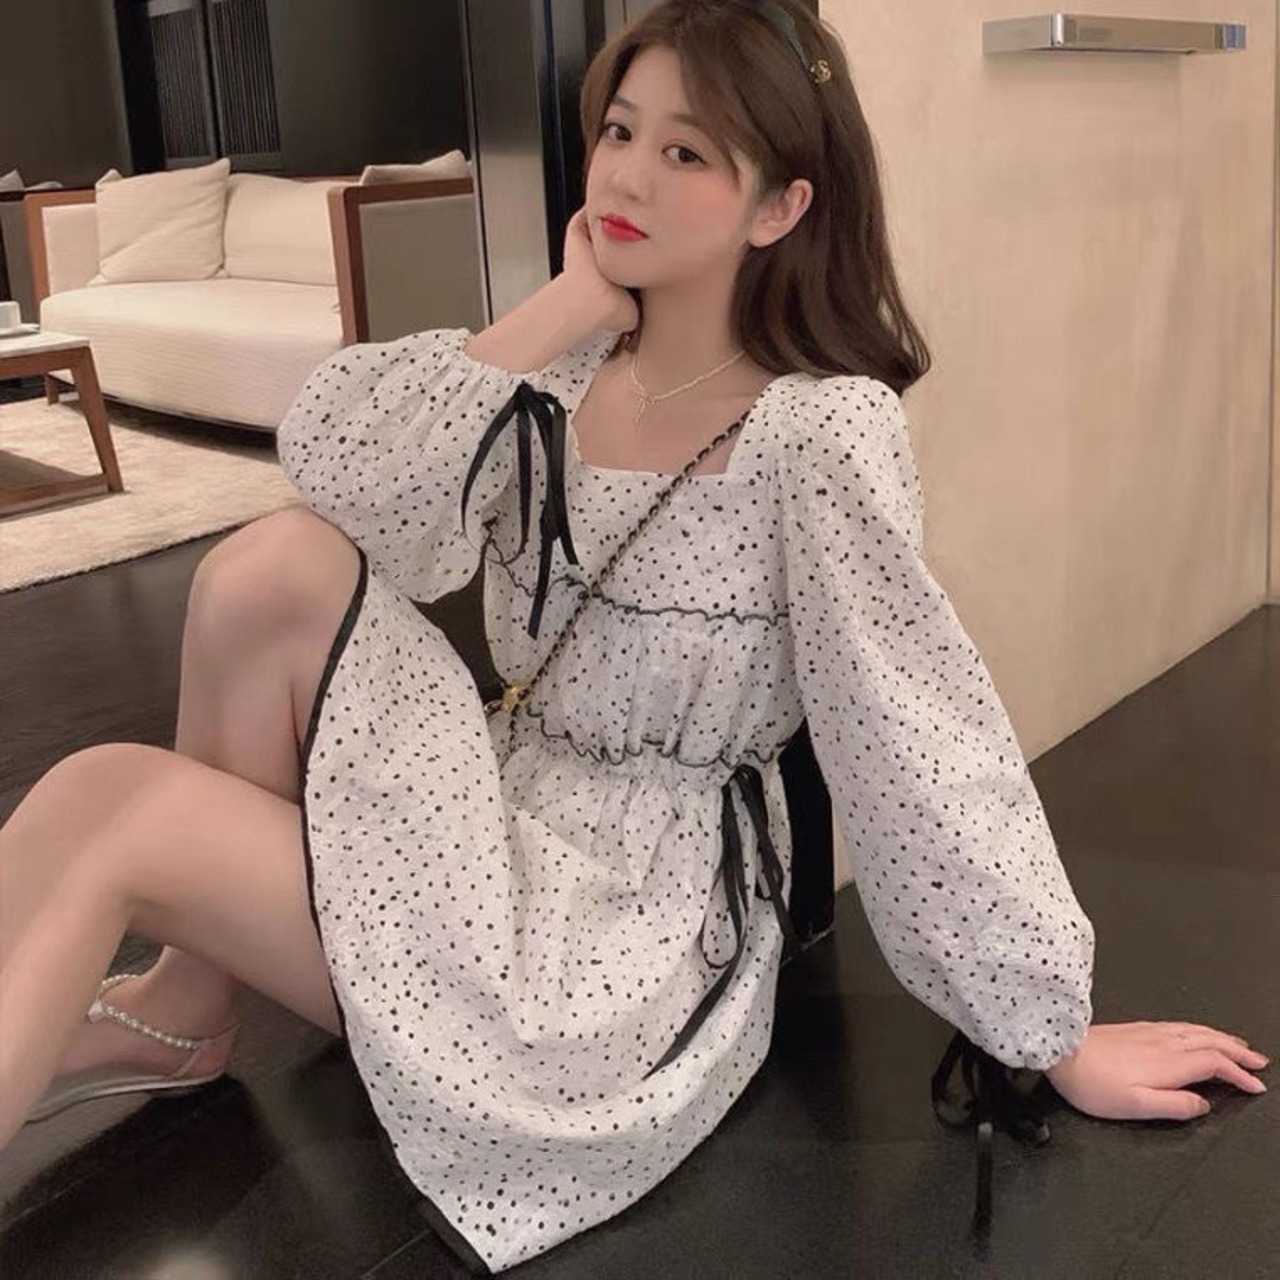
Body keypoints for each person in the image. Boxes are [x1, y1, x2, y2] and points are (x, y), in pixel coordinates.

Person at [0, 0, 1267, 1272]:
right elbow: (341, 474)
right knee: (266, 566)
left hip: (622, 928)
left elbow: (912, 729)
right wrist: (561, 309)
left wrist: (1046, 1030)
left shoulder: (816, 432)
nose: (625, 176)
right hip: (498, 810)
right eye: (618, 131)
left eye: (686, 152)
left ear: (778, 206)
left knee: (112, 805)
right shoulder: (556, 381)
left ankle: (180, 1009)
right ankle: (184, 999)